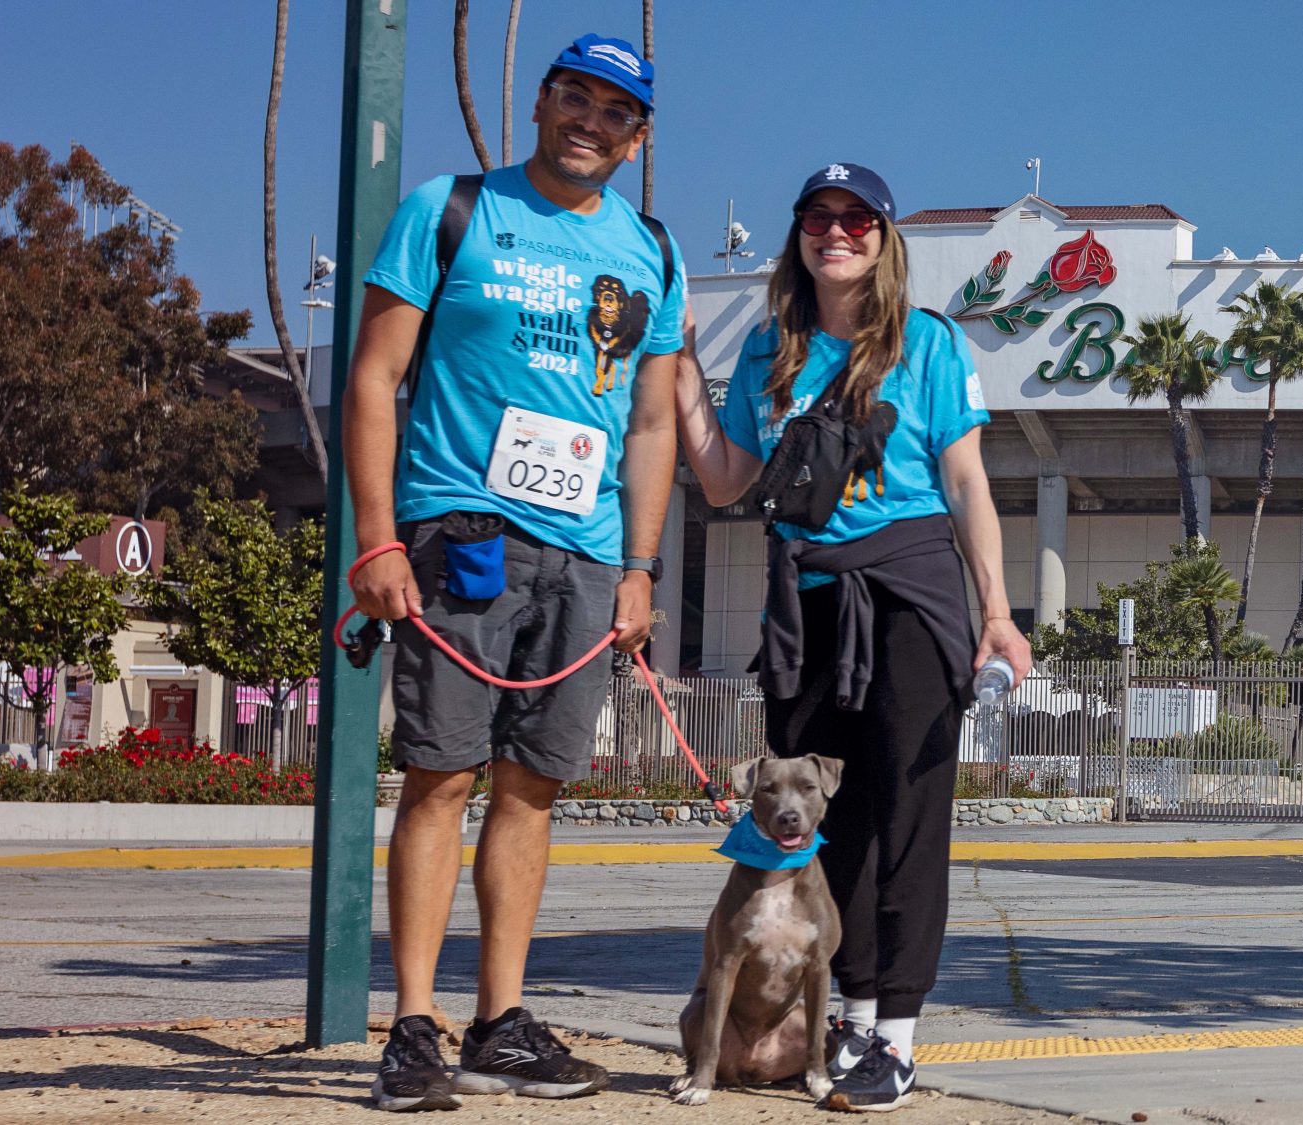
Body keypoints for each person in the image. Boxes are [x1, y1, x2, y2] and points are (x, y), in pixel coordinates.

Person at [342, 33, 682, 1113]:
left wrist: (638, 569)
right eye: (573, 97)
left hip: (584, 556)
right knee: (441, 776)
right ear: (539, 104)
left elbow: (649, 427)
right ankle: (409, 1030)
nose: (590, 120)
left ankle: (499, 1023)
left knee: (533, 789)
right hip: (461, 535)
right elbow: (374, 377)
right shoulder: (450, 210)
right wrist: (378, 537)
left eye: (614, 111)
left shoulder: (649, 252)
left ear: (636, 140)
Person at [675, 163, 1031, 1111]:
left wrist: (996, 613)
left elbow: (966, 485)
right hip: (808, 602)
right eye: (819, 217)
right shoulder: (767, 352)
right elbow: (721, 482)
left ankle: (896, 1039)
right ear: (797, 235)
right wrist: (678, 370)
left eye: (857, 219)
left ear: (883, 238)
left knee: (910, 820)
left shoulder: (928, 344)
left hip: (911, 593)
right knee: (827, 825)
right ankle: (852, 1013)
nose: (838, 232)